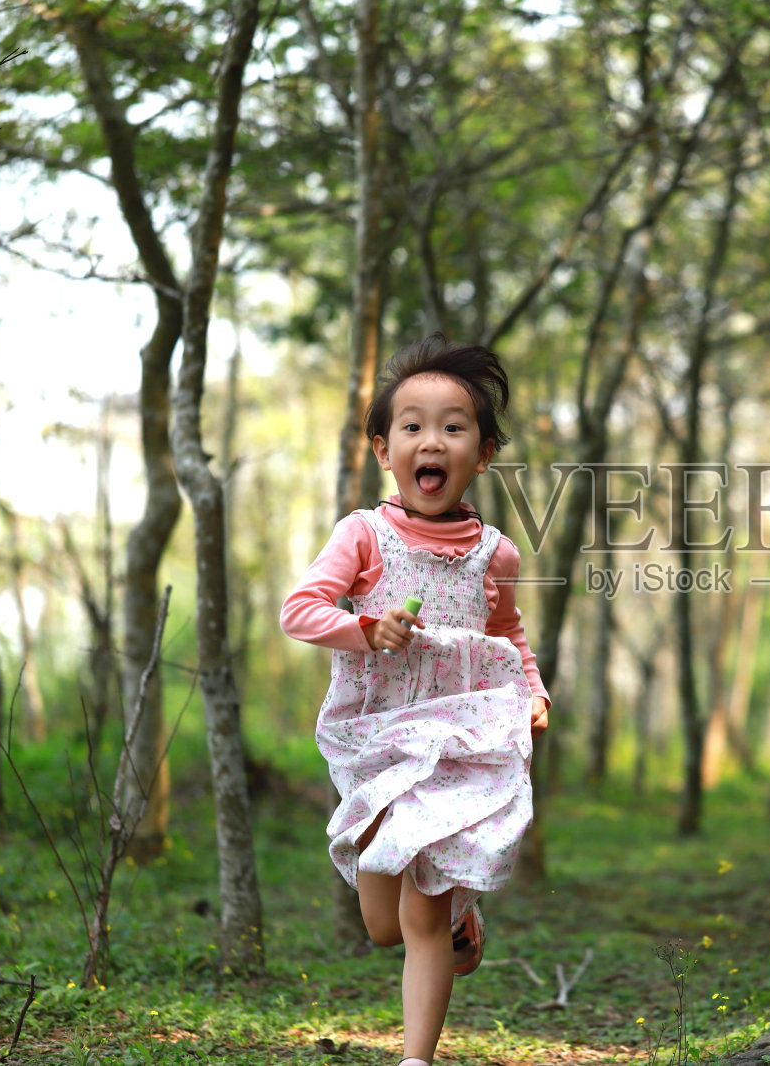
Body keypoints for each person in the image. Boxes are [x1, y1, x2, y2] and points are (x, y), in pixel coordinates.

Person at [280, 334, 551, 1066]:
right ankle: (463, 918)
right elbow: (300, 610)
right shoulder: (362, 534)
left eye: (454, 426)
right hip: (376, 736)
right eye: (413, 425)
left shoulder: (497, 552)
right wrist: (366, 629)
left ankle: (415, 1057)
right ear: (382, 447)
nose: (433, 439)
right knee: (384, 924)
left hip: (462, 736)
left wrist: (531, 689)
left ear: (483, 453)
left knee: (422, 911)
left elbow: (508, 631)